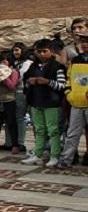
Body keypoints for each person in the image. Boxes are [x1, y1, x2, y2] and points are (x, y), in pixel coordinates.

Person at [21, 39, 66, 167]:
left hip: (52, 103)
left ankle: (55, 155)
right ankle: (38, 154)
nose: (41, 54)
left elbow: (62, 86)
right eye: (38, 51)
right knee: (39, 130)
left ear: (51, 52)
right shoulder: (33, 67)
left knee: (53, 130)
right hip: (36, 101)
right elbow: (25, 81)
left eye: (44, 51)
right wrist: (30, 82)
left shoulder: (58, 67)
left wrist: (47, 82)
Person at [58, 30, 88, 169]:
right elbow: (69, 79)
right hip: (76, 102)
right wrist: (69, 94)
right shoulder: (76, 60)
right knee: (72, 133)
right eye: (83, 41)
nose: (85, 44)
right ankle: (66, 159)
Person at [6, 42, 33, 152]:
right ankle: (9, 142)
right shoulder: (12, 62)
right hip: (10, 92)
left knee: (19, 117)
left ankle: (20, 142)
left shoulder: (28, 63)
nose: (15, 52)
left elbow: (23, 76)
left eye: (17, 50)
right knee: (9, 118)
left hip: (22, 92)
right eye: (14, 50)